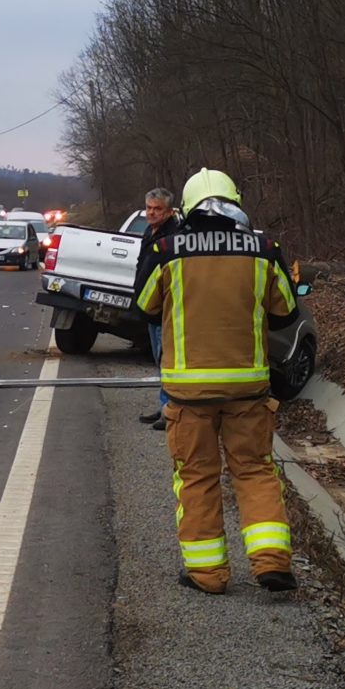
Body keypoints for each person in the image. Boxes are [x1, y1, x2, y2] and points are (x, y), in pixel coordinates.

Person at [135, 168, 298, 595]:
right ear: (235, 201)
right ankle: (271, 564)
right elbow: (286, 312)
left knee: (197, 477)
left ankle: (207, 575)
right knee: (255, 471)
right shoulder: (264, 249)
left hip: (188, 394)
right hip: (248, 390)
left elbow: (145, 307)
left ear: (185, 207)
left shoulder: (168, 249)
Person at [133, 187, 182, 430]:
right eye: (149, 208)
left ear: (169, 211)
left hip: (165, 308)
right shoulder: (149, 232)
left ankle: (170, 411)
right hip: (150, 307)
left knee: (167, 359)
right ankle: (164, 405)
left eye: (157, 209)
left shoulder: (172, 235)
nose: (152, 213)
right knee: (158, 359)